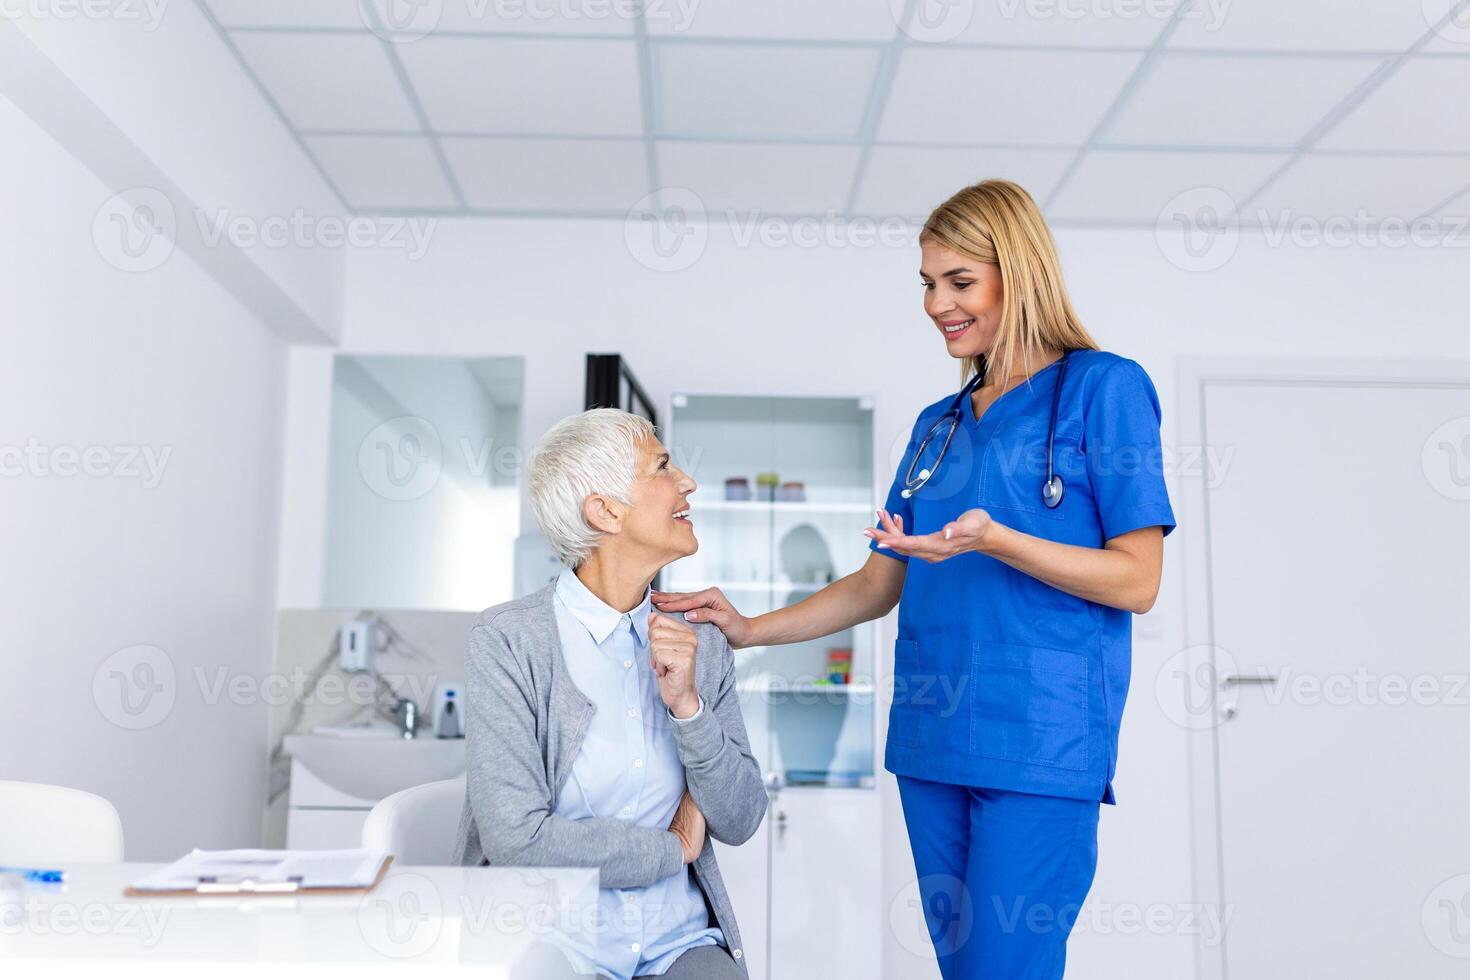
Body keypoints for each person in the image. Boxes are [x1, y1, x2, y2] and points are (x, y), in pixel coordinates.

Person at [653, 179, 1176, 979]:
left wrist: (999, 539)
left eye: (959, 282)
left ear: (1020, 273)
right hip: (932, 743)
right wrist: (751, 626)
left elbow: (1138, 579)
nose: (937, 304)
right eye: (928, 284)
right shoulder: (938, 426)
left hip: (1040, 741)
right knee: (962, 970)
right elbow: (876, 583)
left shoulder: (1104, 390)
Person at [455, 408, 765, 980]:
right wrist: (673, 850)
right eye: (663, 466)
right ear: (604, 510)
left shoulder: (703, 643)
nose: (688, 483)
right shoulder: (510, 641)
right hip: (550, 945)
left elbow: (742, 817)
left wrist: (689, 710)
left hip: (677, 943)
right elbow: (518, 842)